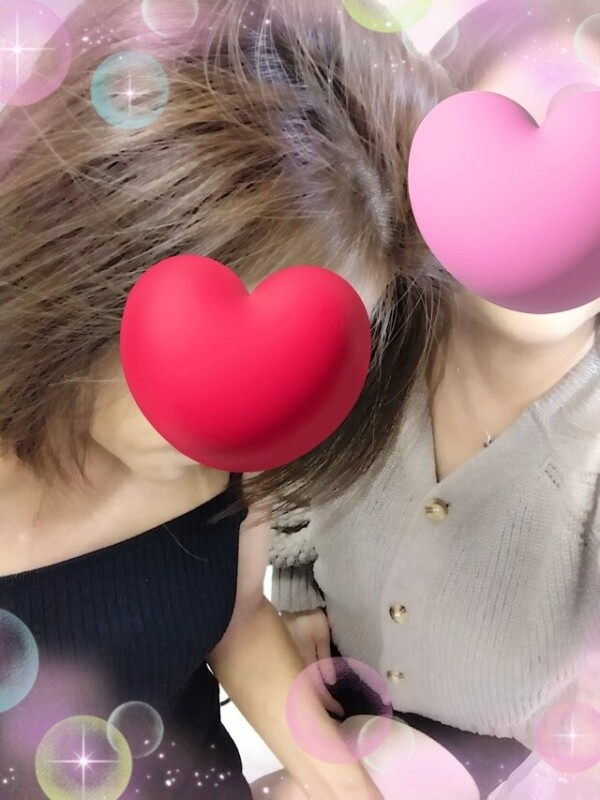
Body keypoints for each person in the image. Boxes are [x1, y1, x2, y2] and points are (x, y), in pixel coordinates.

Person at [0, 1, 455, 798]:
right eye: (223, 365)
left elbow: (239, 617)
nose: (251, 424)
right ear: (88, 260)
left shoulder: (240, 461)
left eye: (306, 366)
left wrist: (350, 789)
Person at [265, 1, 600, 797]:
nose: (546, 206)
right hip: (333, 686)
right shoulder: (375, 319)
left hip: (508, 757)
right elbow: (290, 467)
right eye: (509, 134)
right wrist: (295, 589)